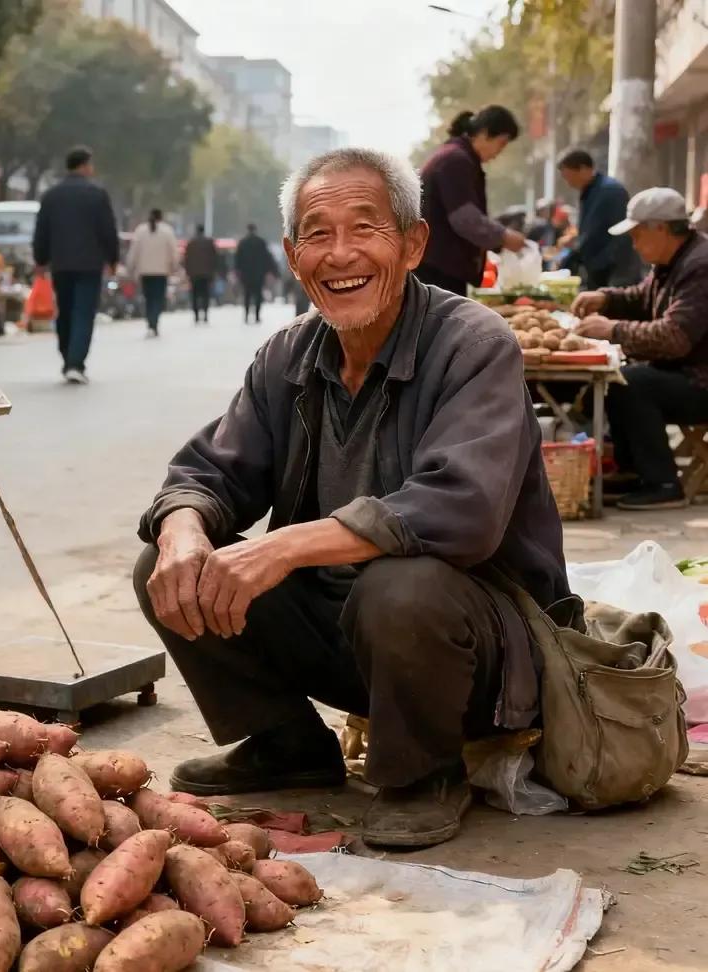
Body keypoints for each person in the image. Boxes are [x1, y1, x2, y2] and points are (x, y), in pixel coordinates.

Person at [133, 147, 568, 849]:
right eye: (318, 233)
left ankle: (423, 772)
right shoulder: (289, 356)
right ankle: (287, 743)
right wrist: (183, 530)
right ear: (292, 253)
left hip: (473, 658)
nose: (340, 255)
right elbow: (212, 472)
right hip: (350, 643)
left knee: (401, 586)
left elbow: (460, 509)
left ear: (414, 242)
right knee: (173, 559)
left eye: (365, 228)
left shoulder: (473, 344)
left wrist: (284, 546)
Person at [573, 187, 708, 511]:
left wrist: (614, 329)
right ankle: (633, 470)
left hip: (701, 379)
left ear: (660, 229)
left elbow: (675, 335)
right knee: (617, 380)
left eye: (637, 235)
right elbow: (641, 298)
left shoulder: (700, 266)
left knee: (631, 383)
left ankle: (663, 483)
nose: (633, 245)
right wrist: (606, 298)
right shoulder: (672, 260)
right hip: (684, 371)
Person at [33, 145, 120, 384]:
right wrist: (112, 259)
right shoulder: (97, 194)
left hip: (61, 264)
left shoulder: (52, 196)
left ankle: (67, 357)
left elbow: (42, 230)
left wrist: (40, 260)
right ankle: (75, 362)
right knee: (83, 313)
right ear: (84, 166)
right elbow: (108, 231)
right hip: (89, 265)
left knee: (65, 312)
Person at [417, 106, 526, 295]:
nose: (499, 152)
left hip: (438, 267)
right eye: (501, 143)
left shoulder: (455, 156)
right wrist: (504, 237)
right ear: (484, 134)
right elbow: (465, 219)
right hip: (437, 270)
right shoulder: (455, 160)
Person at [558, 149, 641, 289]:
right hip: (597, 270)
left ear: (584, 169)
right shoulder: (589, 192)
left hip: (616, 271)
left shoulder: (610, 192)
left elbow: (618, 238)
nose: (569, 183)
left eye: (569, 177)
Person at [127, 209, 179, 337]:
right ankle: (154, 322)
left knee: (149, 298)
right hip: (161, 272)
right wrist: (174, 266)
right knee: (158, 298)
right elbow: (174, 252)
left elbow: (133, 251)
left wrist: (130, 267)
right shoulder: (167, 231)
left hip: (145, 272)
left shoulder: (140, 231)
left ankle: (151, 322)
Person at [234, 224, 276, 324]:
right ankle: (257, 316)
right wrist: (270, 271)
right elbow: (267, 258)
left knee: (247, 295)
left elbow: (238, 259)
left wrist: (238, 271)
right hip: (259, 273)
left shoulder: (243, 242)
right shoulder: (261, 242)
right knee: (258, 295)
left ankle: (246, 315)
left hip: (246, 274)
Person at [183, 223, 218, 324]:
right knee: (205, 294)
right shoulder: (209, 242)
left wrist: (188, 272)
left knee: (194, 295)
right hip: (207, 274)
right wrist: (213, 272)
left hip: (194, 274)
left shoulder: (191, 243)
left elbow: (187, 259)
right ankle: (205, 314)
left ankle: (196, 315)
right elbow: (214, 259)